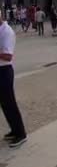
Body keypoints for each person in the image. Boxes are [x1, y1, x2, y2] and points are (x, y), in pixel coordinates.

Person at [0, 8, 27, 148]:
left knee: (10, 102)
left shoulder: (7, 32)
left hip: (4, 71)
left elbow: (8, 56)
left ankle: (21, 134)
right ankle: (14, 130)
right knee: (4, 103)